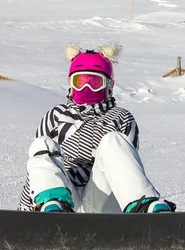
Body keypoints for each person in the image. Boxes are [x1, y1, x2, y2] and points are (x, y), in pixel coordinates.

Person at [18, 43, 175, 214]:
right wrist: (24, 211)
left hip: (102, 200)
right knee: (42, 144)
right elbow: (39, 164)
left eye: (95, 82)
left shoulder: (121, 117)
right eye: (80, 81)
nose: (87, 88)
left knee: (113, 140)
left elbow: (128, 165)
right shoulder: (56, 115)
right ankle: (51, 207)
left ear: (109, 85)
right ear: (70, 84)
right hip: (66, 201)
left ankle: (143, 206)